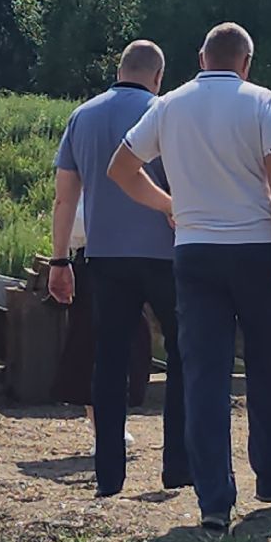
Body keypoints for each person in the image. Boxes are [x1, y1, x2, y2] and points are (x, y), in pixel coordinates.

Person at [108, 22, 271, 533]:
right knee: (268, 364)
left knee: (204, 374)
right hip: (257, 250)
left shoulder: (169, 104)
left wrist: (170, 205)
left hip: (195, 252)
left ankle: (215, 500)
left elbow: (121, 169)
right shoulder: (263, 102)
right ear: (247, 61)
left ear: (201, 57)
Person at [49, 40, 188, 497]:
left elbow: (65, 197)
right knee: (182, 354)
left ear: (119, 68)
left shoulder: (83, 116)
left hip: (105, 257)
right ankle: (177, 464)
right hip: (166, 253)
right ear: (158, 75)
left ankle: (109, 473)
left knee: (108, 359)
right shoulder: (168, 112)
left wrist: (59, 259)